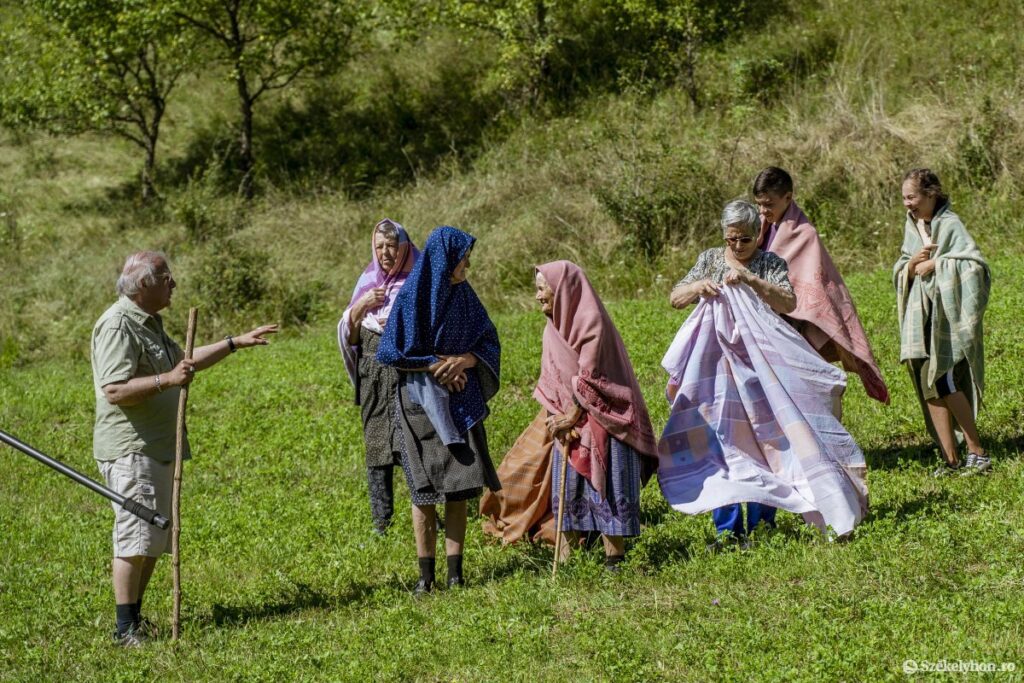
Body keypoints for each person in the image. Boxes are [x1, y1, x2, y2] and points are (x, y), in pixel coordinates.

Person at [92, 251, 277, 646]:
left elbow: (184, 363)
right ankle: (124, 630)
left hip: (157, 447)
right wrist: (166, 380)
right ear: (144, 284)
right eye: (165, 277)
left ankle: (135, 619)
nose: (173, 284)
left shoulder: (149, 323)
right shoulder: (117, 325)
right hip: (131, 449)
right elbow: (114, 390)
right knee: (134, 536)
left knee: (153, 539)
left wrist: (233, 343)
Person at [663, 200, 867, 544]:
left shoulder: (769, 262)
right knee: (722, 439)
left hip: (762, 366)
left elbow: (787, 303)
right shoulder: (710, 260)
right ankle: (727, 529)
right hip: (717, 368)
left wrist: (750, 280)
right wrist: (699, 288)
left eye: (744, 239)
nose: (738, 247)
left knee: (766, 437)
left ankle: (762, 521)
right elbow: (675, 297)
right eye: (731, 240)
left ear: (758, 235)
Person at [376, 226, 501, 593]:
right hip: (419, 406)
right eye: (464, 257)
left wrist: (464, 361)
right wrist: (436, 365)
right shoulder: (413, 295)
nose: (468, 264)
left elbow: (488, 338)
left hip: (460, 400)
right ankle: (425, 576)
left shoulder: (464, 295)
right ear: (446, 257)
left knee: (460, 487)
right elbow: (390, 351)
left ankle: (455, 573)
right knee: (424, 490)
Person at [533, 261, 659, 570]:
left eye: (542, 289)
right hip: (570, 420)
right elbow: (551, 380)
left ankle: (613, 558)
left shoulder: (592, 323)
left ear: (563, 291)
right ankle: (563, 561)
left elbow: (592, 377)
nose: (537, 297)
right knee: (567, 485)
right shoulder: (552, 328)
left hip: (606, 417)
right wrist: (558, 420)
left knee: (610, 484)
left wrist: (572, 416)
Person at [752, 166, 890, 406]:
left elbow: (814, 282)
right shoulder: (760, 228)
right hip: (767, 319)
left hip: (796, 321)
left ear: (788, 197)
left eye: (769, 204)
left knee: (804, 385)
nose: (764, 210)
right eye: (759, 204)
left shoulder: (805, 234)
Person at [893, 168, 991, 476]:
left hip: (946, 317)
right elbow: (902, 264)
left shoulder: (951, 224)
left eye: (912, 197)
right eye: (904, 198)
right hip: (921, 314)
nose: (907, 204)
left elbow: (975, 264)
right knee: (928, 385)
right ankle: (951, 459)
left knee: (945, 380)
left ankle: (978, 452)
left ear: (930, 194)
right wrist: (911, 265)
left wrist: (938, 263)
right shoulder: (914, 225)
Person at [337, 218, 419, 535]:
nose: (386, 253)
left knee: (414, 440)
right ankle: (381, 522)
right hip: (373, 374)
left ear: (405, 247)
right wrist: (361, 308)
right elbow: (351, 333)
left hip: (408, 375)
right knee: (376, 443)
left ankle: (425, 508)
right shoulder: (368, 281)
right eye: (380, 246)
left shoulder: (418, 279)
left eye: (392, 246)